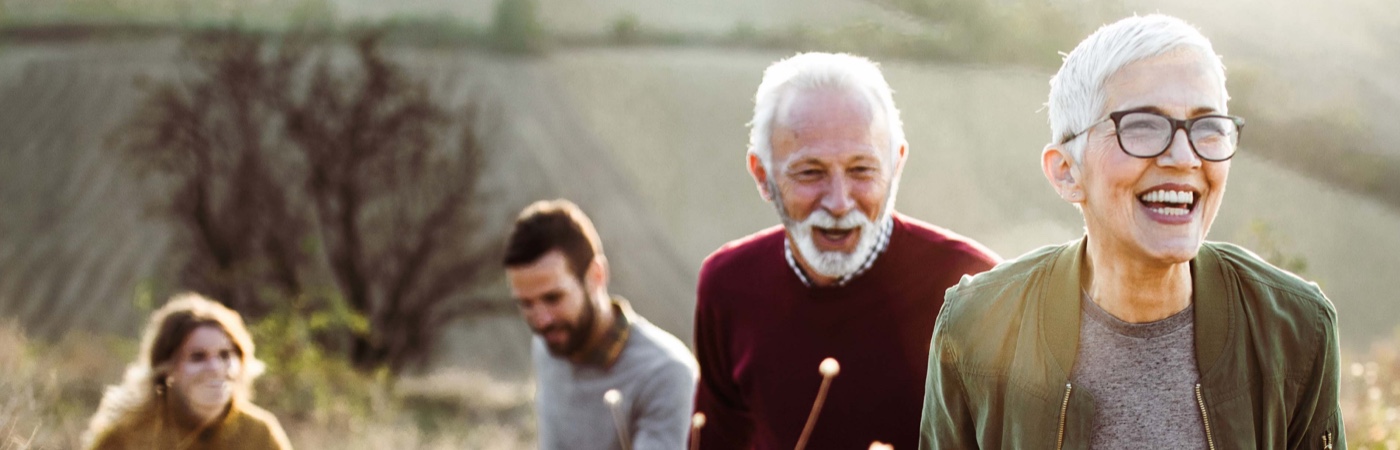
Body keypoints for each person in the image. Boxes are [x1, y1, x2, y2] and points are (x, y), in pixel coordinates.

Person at [920, 14, 1345, 449]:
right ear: (1066, 172)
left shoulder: (1296, 329)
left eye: (1207, 128)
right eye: (1142, 126)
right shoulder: (974, 328)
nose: (1184, 157)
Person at [693, 52, 1001, 449]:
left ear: (896, 165)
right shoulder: (727, 286)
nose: (839, 202)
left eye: (861, 170)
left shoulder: (974, 284)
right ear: (762, 175)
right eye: (810, 172)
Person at [503, 199, 699, 450]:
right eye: (526, 303)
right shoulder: (548, 346)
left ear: (596, 276)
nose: (541, 320)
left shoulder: (666, 373)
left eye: (553, 298)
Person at [83, 293, 292, 450]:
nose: (215, 368)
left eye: (225, 355)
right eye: (197, 357)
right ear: (166, 368)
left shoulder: (260, 432)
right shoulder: (126, 436)